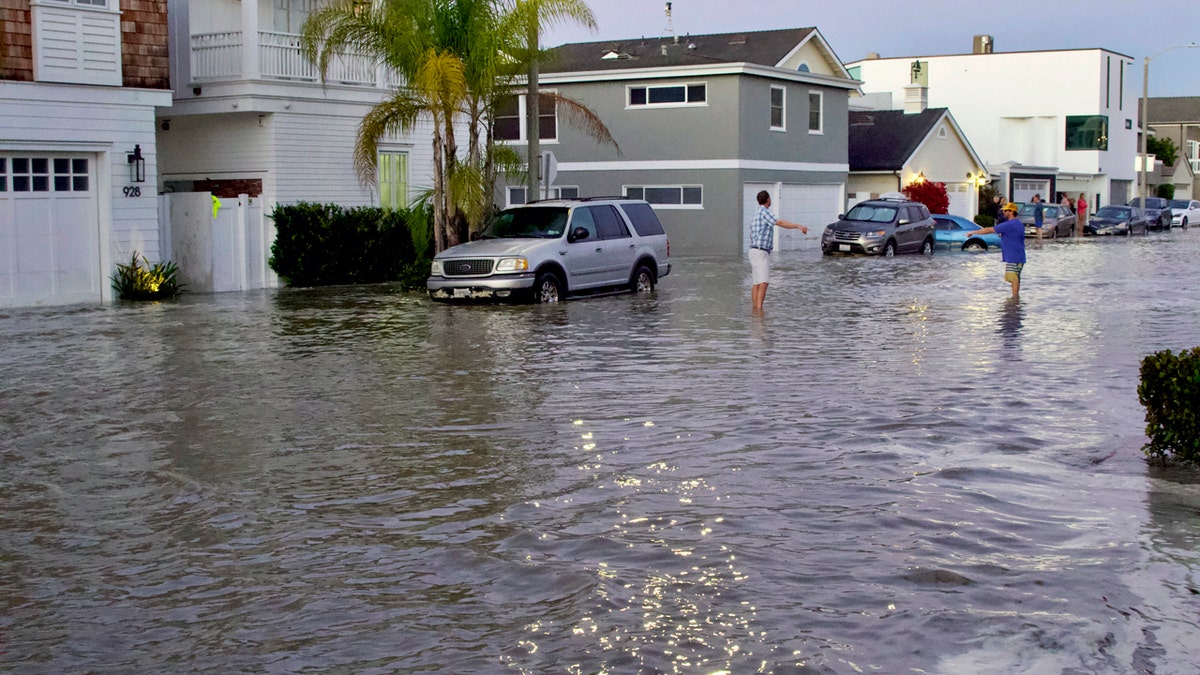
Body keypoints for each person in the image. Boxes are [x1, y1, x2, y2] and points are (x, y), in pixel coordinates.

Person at [748, 190, 808, 311]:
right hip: (761, 252)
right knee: (764, 282)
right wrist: (798, 226)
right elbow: (780, 223)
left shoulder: (755, 215)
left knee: (756, 283)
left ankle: (755, 310)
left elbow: (751, 235)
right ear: (768, 199)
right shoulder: (765, 213)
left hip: (753, 251)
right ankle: (759, 311)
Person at [970, 202, 1026, 299]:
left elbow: (988, 230)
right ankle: (1016, 299)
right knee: (1015, 277)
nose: (1003, 212)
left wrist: (973, 232)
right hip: (1019, 255)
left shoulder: (1009, 224)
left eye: (1005, 211)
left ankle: (1014, 299)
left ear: (1011, 212)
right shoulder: (1019, 224)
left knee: (1013, 278)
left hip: (1013, 256)